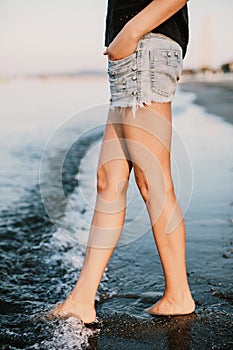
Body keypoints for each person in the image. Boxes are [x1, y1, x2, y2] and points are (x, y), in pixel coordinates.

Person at [51, 0, 195, 324]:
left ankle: (179, 296)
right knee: (109, 179)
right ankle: (81, 299)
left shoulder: (139, 34)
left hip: (144, 43)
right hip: (133, 51)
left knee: (153, 180)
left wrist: (131, 31)